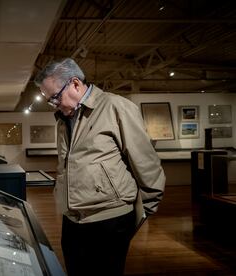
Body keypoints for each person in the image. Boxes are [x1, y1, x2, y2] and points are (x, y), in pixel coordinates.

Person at [34, 58, 165, 276]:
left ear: (75, 84)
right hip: (73, 219)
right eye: (49, 101)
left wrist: (145, 210)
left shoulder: (116, 107)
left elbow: (146, 162)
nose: (54, 105)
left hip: (110, 219)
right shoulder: (62, 120)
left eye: (55, 97)